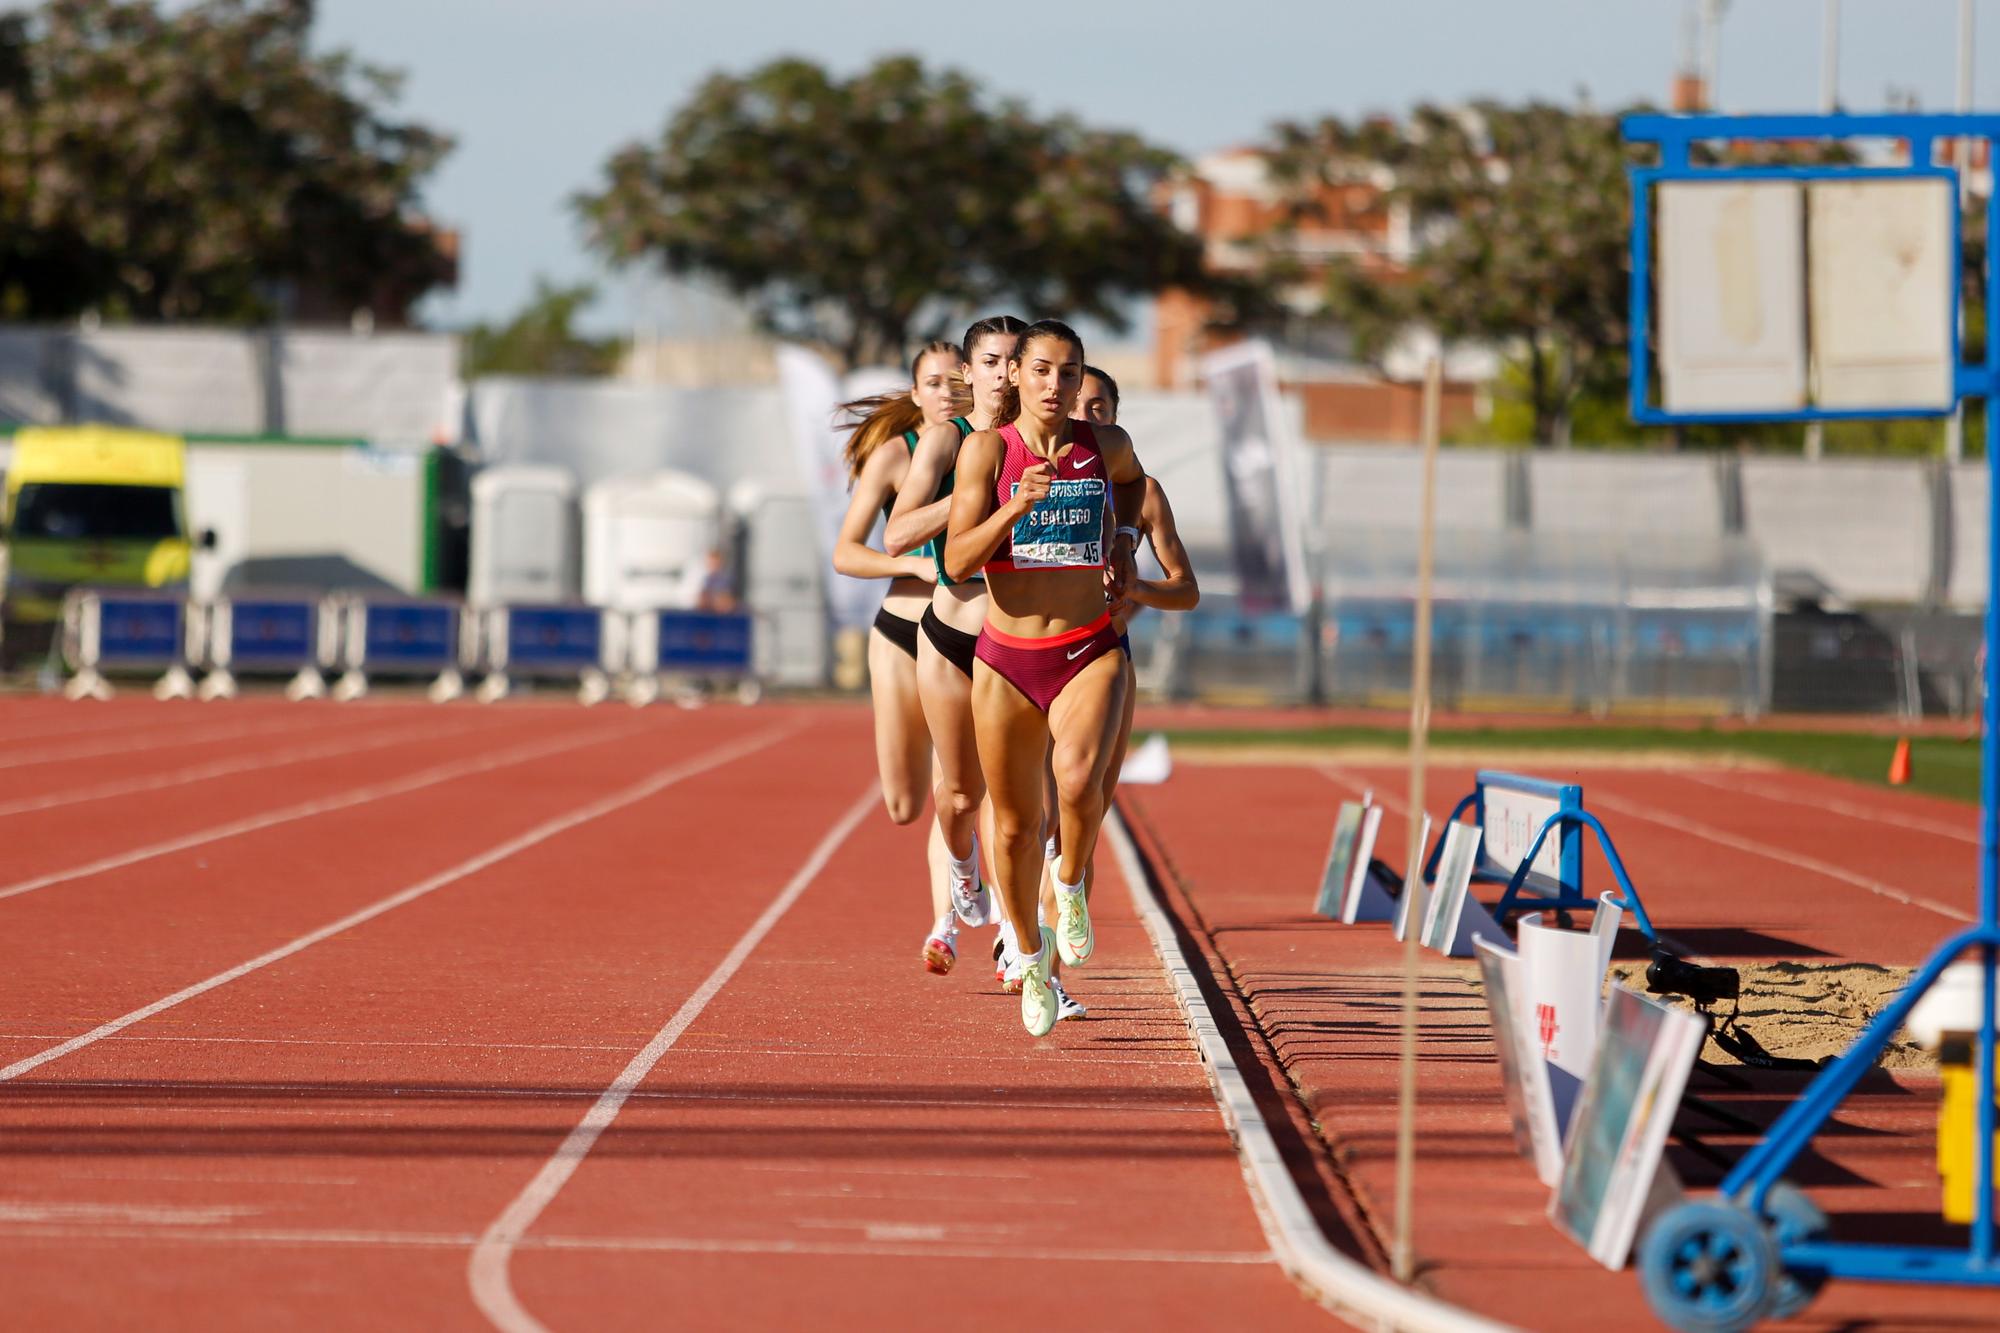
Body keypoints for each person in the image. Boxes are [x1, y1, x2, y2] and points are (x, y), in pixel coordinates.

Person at [944, 321, 1146, 1037]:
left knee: (1081, 777)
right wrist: (1016, 506)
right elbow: (959, 562)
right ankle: (1031, 955)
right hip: (1006, 659)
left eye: (1069, 372)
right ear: (1019, 377)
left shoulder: (1106, 446)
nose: (1055, 386)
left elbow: (1133, 485)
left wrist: (1122, 541)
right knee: (1014, 827)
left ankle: (1073, 884)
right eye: (1042, 371)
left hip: (1088, 646)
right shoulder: (986, 451)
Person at [1030, 365, 1199, 1018]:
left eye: (1101, 406)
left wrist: (1136, 590)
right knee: (1034, 815)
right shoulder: (1039, 478)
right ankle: (1033, 958)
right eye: (1080, 405)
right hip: (1036, 656)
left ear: (1117, 417)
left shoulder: (1144, 492)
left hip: (1106, 659)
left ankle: (1054, 918)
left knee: (1085, 812)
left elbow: (1186, 588)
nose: (1090, 415)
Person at [884, 316, 1027, 952]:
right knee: (960, 792)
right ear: (971, 373)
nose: (1002, 374)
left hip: (1020, 637)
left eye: (1012, 361)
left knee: (1021, 795)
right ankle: (963, 871)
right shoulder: (947, 439)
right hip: (949, 629)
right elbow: (895, 535)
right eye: (990, 362)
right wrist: (974, 491)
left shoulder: (1045, 440)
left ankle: (1024, 945)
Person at [831, 340, 970, 973]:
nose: (947, 393)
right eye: (933, 384)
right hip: (899, 630)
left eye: (955, 382)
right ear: (916, 394)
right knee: (905, 803)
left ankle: (946, 923)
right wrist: (911, 562)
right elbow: (847, 552)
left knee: (958, 785)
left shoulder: (989, 448)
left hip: (964, 629)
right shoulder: (896, 454)